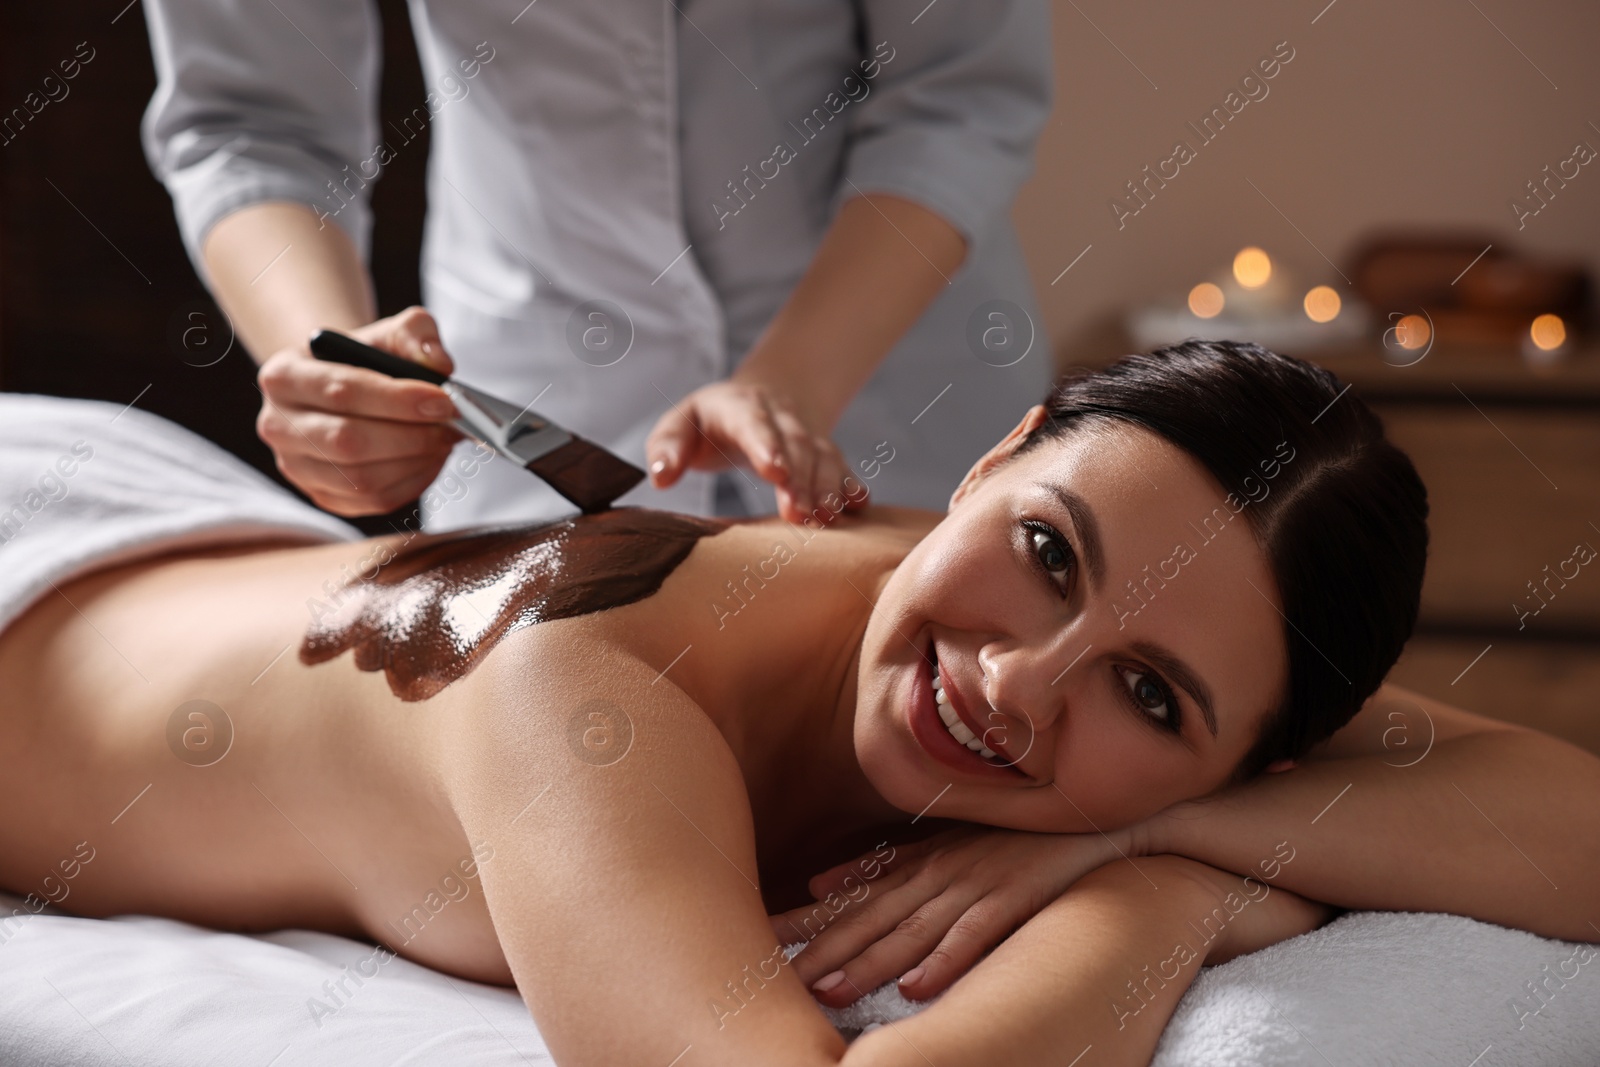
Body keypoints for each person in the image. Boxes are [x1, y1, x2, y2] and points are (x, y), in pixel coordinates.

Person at [2, 342, 1596, 1067]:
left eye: (1152, 694)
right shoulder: (582, 680)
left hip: (211, 556)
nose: (1013, 680)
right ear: (991, 459)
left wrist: (1169, 829)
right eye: (1045, 549)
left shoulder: (1028, 624)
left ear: (1272, 750)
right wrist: (1170, 899)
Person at [139, 0, 1053, 529]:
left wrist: (794, 383)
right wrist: (336, 370)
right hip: (533, 409)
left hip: (902, 398)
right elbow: (251, 125)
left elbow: (956, 91)